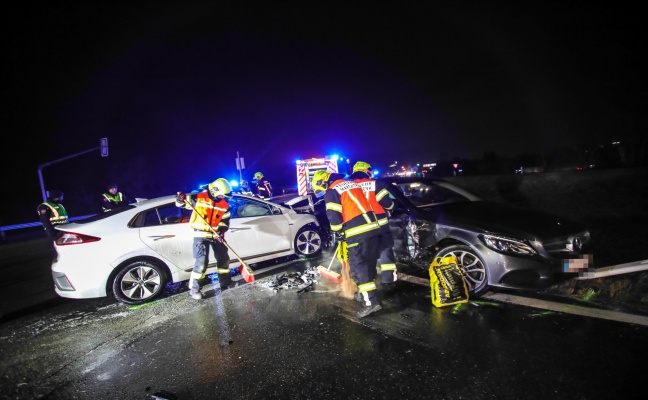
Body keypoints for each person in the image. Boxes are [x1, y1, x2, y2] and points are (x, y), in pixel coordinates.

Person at [311, 169, 383, 319]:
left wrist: (338, 232)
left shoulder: (331, 191)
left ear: (322, 181)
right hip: (374, 229)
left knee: (359, 268)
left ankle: (371, 303)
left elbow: (334, 216)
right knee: (369, 265)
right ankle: (367, 295)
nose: (321, 192)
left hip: (358, 233)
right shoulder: (351, 184)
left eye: (319, 188)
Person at [176, 178, 236, 299]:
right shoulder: (198, 197)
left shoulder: (224, 204)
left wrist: (221, 231)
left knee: (223, 258)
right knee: (201, 263)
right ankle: (195, 290)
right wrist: (180, 198)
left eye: (223, 196)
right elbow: (181, 204)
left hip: (216, 235)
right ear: (214, 190)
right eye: (220, 195)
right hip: (200, 236)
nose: (221, 197)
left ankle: (225, 282)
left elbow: (225, 221)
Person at [349, 161, 398, 290]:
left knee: (366, 256)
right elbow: (389, 204)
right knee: (385, 249)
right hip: (380, 225)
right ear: (367, 171)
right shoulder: (374, 184)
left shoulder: (349, 187)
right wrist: (392, 206)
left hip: (360, 228)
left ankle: (369, 280)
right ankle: (388, 279)